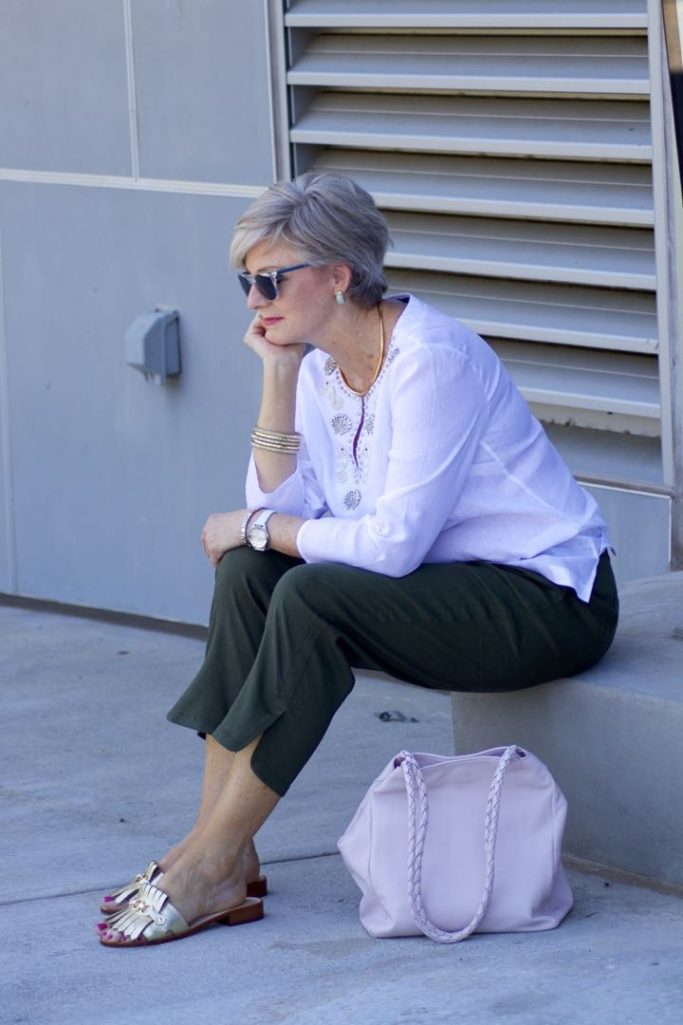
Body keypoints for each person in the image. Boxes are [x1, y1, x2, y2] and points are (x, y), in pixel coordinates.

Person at [97, 172, 619, 947]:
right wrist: (275, 377)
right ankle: (222, 847)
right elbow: (282, 508)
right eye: (244, 280)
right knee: (250, 572)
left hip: (544, 599)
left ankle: (209, 860)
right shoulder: (317, 367)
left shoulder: (429, 360)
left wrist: (257, 525)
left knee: (306, 592)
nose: (252, 299)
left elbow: (388, 544)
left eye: (270, 279)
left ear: (338, 275)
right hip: (441, 588)